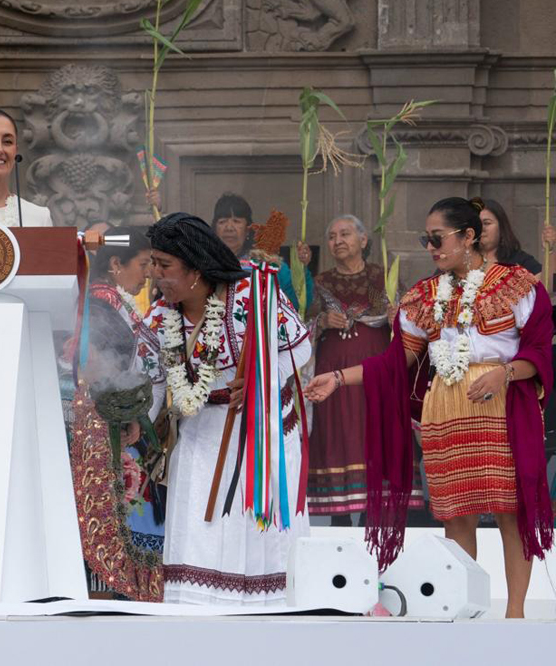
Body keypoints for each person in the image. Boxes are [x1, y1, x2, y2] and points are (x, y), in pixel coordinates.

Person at [306, 197, 554, 619]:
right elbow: (392, 362)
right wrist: (338, 378)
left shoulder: (517, 285)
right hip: (446, 410)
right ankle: (467, 612)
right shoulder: (424, 295)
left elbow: (541, 350)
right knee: (457, 517)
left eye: (437, 238)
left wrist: (506, 373)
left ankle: (515, 614)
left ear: (469, 236)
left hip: (501, 405)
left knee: (509, 510)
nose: (430, 247)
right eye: (427, 239)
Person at [143, 213, 311, 606]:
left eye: (164, 265)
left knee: (255, 534)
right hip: (201, 433)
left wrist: (258, 381)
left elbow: (300, 347)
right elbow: (152, 387)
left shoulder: (255, 295)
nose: (155, 275)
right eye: (153, 263)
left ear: (196, 270)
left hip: (262, 433)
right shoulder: (159, 318)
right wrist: (134, 425)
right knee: (200, 529)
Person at [305, 215, 424, 525]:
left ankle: (375, 519)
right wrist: (322, 321)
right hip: (332, 368)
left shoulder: (383, 277)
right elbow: (301, 324)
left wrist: (396, 315)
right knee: (337, 434)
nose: (337, 241)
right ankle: (339, 523)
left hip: (374, 366)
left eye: (345, 234)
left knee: (373, 432)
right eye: (331, 236)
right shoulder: (320, 282)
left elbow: (412, 327)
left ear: (363, 240)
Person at [68, 298, 166, 601]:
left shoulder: (120, 408)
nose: (73, 355)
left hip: (122, 491)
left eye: (86, 351)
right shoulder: (68, 392)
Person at [86, 226, 166, 552]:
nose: (149, 274)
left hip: (124, 424)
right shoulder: (102, 304)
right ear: (116, 263)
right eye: (144, 264)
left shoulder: (117, 301)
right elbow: (99, 367)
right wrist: (129, 412)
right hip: (111, 429)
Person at [212, 192, 312, 309]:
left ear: (248, 229)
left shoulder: (267, 264)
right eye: (222, 221)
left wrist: (301, 268)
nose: (229, 228)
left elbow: (298, 304)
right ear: (214, 229)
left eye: (236, 221)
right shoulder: (203, 263)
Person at [479, 197, 541, 274]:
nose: (480, 228)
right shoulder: (462, 259)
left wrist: (550, 251)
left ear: (501, 227)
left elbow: (544, 283)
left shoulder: (519, 260)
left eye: (486, 223)